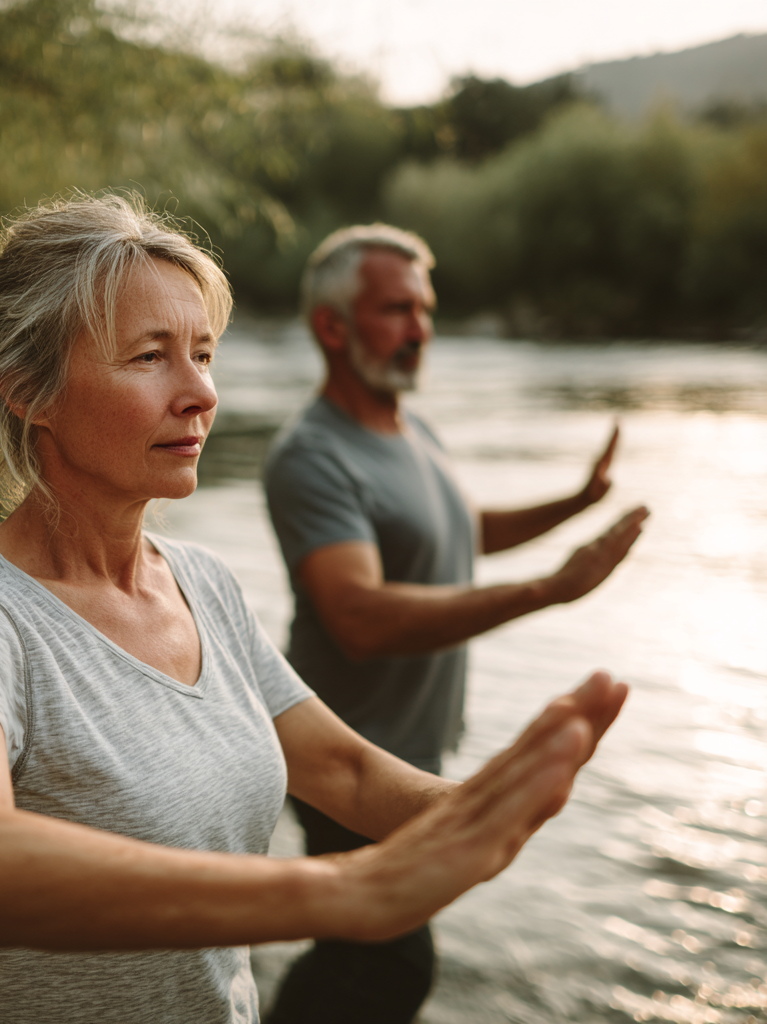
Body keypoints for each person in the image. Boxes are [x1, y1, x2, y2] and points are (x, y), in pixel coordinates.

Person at [0, 194, 629, 1024]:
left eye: (203, 354)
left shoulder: (205, 584)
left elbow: (341, 770)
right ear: (29, 392)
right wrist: (343, 889)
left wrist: (485, 804)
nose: (200, 392)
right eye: (149, 358)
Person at [262, 224, 649, 1024]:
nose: (420, 328)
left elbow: (459, 528)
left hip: (414, 751)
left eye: (425, 309)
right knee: (387, 963)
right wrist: (548, 589)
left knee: (373, 960)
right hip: (349, 758)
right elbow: (359, 616)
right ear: (333, 327)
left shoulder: (413, 431)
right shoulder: (312, 456)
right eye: (396, 309)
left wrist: (574, 503)